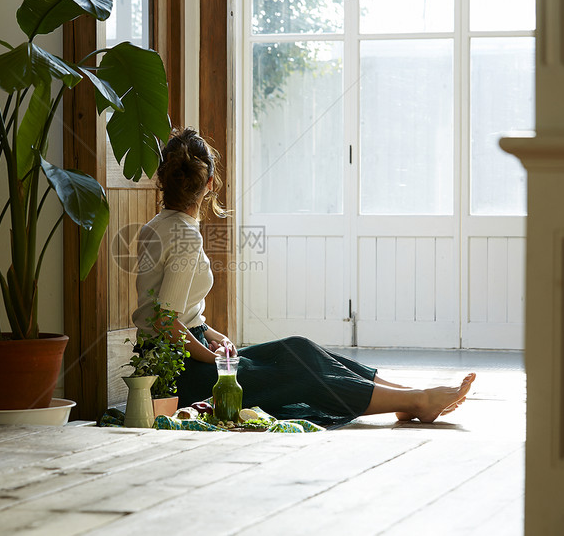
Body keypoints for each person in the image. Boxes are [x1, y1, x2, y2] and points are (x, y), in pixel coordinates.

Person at [132, 128, 475, 426]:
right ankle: (415, 401)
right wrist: (214, 357)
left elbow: (176, 314)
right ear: (209, 183)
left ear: (163, 180)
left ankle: (409, 396)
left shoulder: (157, 227)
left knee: (298, 348)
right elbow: (165, 321)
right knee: (297, 372)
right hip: (182, 375)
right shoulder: (184, 236)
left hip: (182, 354)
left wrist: (214, 337)